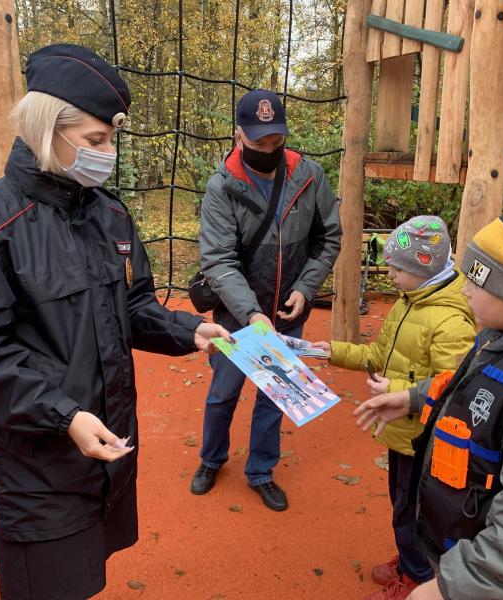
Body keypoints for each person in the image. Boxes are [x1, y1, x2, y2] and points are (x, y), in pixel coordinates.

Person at [0, 44, 230, 600]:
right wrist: (63, 416)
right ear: (48, 131)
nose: (106, 153)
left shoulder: (107, 214)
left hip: (105, 449)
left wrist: (190, 332)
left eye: (111, 140)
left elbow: (132, 307)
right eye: (94, 141)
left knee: (86, 575)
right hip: (39, 463)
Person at [353, 211, 503, 600]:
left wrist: (449, 588)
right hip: (466, 542)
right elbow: (471, 390)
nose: (464, 289)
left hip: (492, 584)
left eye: (473, 279)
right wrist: (414, 398)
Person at [313, 216, 475, 600]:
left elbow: (455, 388)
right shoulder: (410, 302)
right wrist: (333, 351)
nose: (389, 274)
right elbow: (378, 354)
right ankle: (410, 560)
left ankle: (417, 577)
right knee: (402, 505)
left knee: (410, 512)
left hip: (426, 439)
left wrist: (398, 389)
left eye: (397, 268)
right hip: (402, 431)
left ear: (423, 267)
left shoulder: (450, 321)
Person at [194, 89, 342, 511]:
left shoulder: (309, 174)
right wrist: (250, 313)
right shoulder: (222, 185)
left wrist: (306, 287)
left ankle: (261, 471)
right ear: (239, 134)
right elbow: (218, 260)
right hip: (236, 312)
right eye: (259, 143)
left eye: (276, 141)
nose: (268, 150)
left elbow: (328, 236)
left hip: (287, 308)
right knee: (224, 390)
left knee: (276, 393)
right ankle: (211, 459)